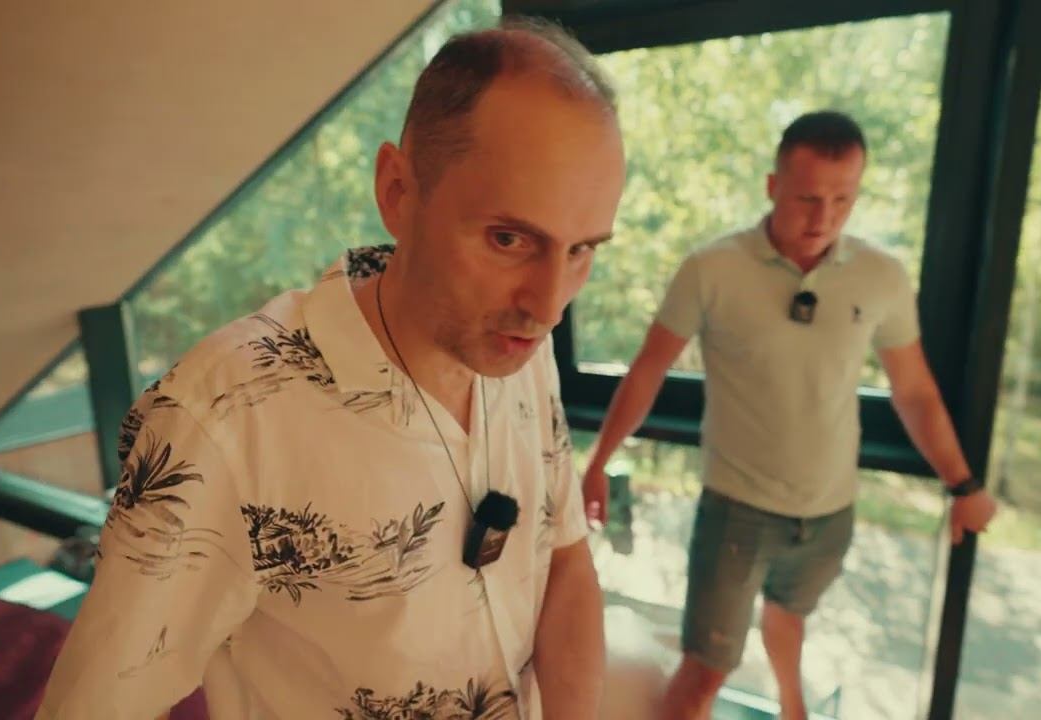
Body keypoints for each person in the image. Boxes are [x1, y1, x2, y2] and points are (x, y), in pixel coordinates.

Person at [37, 19, 626, 720]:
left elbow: (564, 558)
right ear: (399, 191)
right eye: (508, 239)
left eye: (582, 250)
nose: (549, 306)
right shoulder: (225, 417)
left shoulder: (518, 347)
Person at [580, 111, 997, 720]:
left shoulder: (880, 275)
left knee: (789, 617)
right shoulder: (712, 268)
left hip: (829, 513)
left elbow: (915, 392)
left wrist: (963, 485)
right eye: (807, 198)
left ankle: (793, 710)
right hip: (737, 511)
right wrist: (599, 462)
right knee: (705, 671)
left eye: (842, 199)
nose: (823, 218)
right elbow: (648, 370)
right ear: (773, 186)